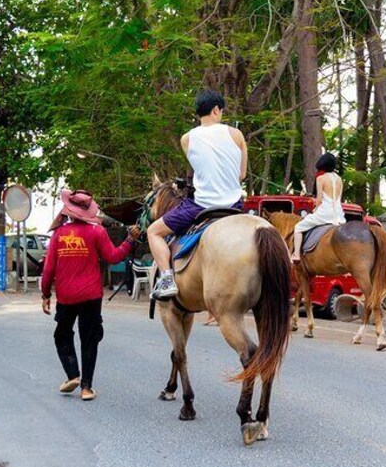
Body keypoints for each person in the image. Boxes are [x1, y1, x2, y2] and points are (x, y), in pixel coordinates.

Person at [147, 89, 248, 300]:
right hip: (234, 205)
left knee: (153, 232)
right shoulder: (236, 134)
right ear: (216, 110)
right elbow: (242, 175)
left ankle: (166, 278)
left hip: (201, 206)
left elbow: (201, 166)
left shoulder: (187, 139)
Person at [40, 189, 138, 401]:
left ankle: (73, 374)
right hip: (92, 296)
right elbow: (114, 257)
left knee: (62, 335)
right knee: (90, 339)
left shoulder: (58, 235)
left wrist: (45, 294)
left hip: (66, 297)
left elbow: (48, 270)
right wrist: (130, 240)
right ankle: (86, 388)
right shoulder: (97, 232)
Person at [291, 153, 346, 263]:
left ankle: (296, 254)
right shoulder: (339, 179)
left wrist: (314, 203)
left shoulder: (320, 178)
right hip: (339, 214)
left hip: (326, 213)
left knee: (298, 227)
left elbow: (319, 200)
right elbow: (337, 198)